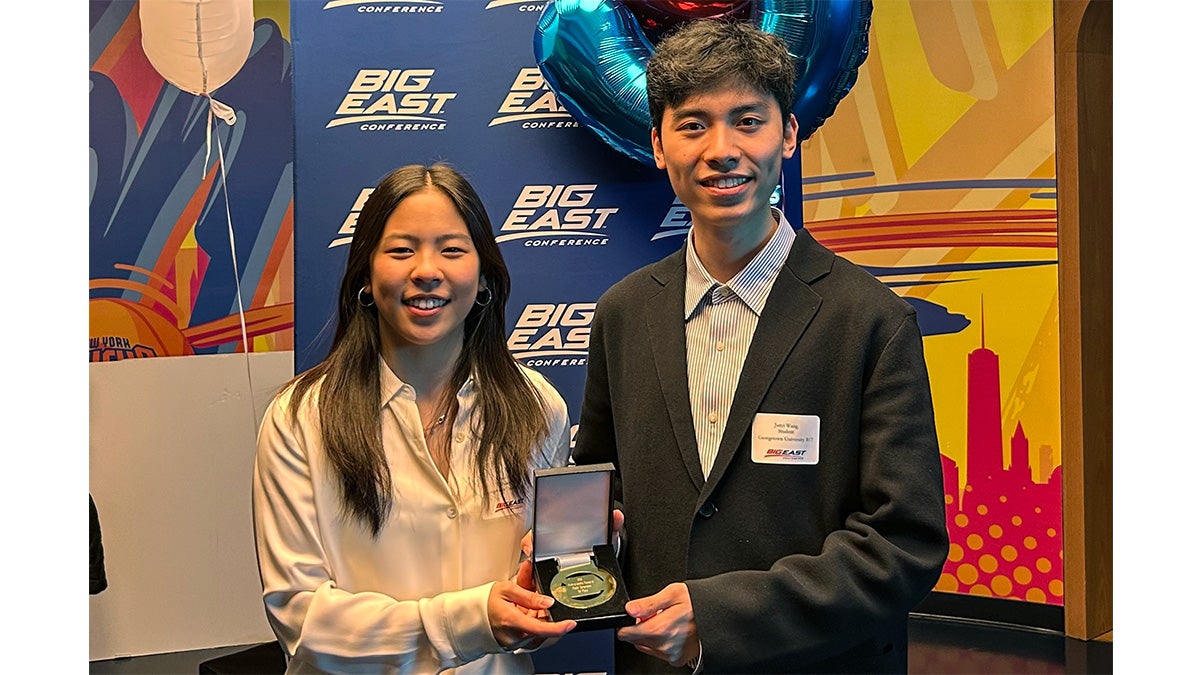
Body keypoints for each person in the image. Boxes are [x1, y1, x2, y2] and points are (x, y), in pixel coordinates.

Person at [572, 20, 950, 674]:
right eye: (693, 125)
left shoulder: (869, 320)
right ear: (658, 145)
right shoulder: (623, 313)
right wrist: (571, 544)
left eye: (748, 120)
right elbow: (605, 489)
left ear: (790, 134)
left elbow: (902, 542)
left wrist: (716, 618)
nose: (722, 149)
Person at [253, 163, 577, 674]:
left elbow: (544, 593)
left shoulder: (538, 407)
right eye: (402, 250)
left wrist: (580, 565)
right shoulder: (300, 419)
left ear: (484, 276)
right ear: (366, 274)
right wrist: (468, 622)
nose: (427, 270)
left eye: (451, 249)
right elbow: (302, 620)